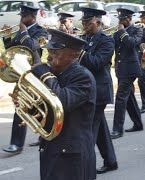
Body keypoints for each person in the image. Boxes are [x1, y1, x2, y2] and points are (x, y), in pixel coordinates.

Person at [31, 29, 96, 180]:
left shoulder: (82, 76)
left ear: (73, 54)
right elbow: (44, 108)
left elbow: (61, 102)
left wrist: (45, 75)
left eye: (55, 51)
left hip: (71, 153)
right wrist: (29, 106)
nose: (49, 56)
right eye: (49, 51)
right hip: (51, 147)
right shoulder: (54, 75)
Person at [2, 5, 48, 153]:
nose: (20, 19)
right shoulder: (22, 31)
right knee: (23, 106)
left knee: (34, 107)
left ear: (32, 16)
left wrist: (23, 31)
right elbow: (12, 49)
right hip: (21, 73)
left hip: (34, 73)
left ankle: (33, 139)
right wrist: (7, 36)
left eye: (24, 16)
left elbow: (32, 46)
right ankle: (20, 142)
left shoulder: (42, 31)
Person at [78, 7, 118, 174]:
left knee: (88, 132)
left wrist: (80, 52)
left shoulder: (106, 40)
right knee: (100, 129)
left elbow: (97, 63)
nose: (85, 25)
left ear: (98, 21)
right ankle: (111, 161)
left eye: (89, 22)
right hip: (87, 90)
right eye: (84, 22)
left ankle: (86, 170)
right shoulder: (83, 39)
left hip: (99, 91)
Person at [110, 8, 143, 139]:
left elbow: (132, 43)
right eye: (120, 20)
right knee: (128, 97)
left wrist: (122, 31)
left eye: (123, 20)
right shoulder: (118, 32)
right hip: (120, 68)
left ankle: (117, 129)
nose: (120, 22)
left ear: (129, 19)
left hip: (131, 69)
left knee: (120, 98)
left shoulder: (137, 29)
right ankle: (138, 123)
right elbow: (115, 46)